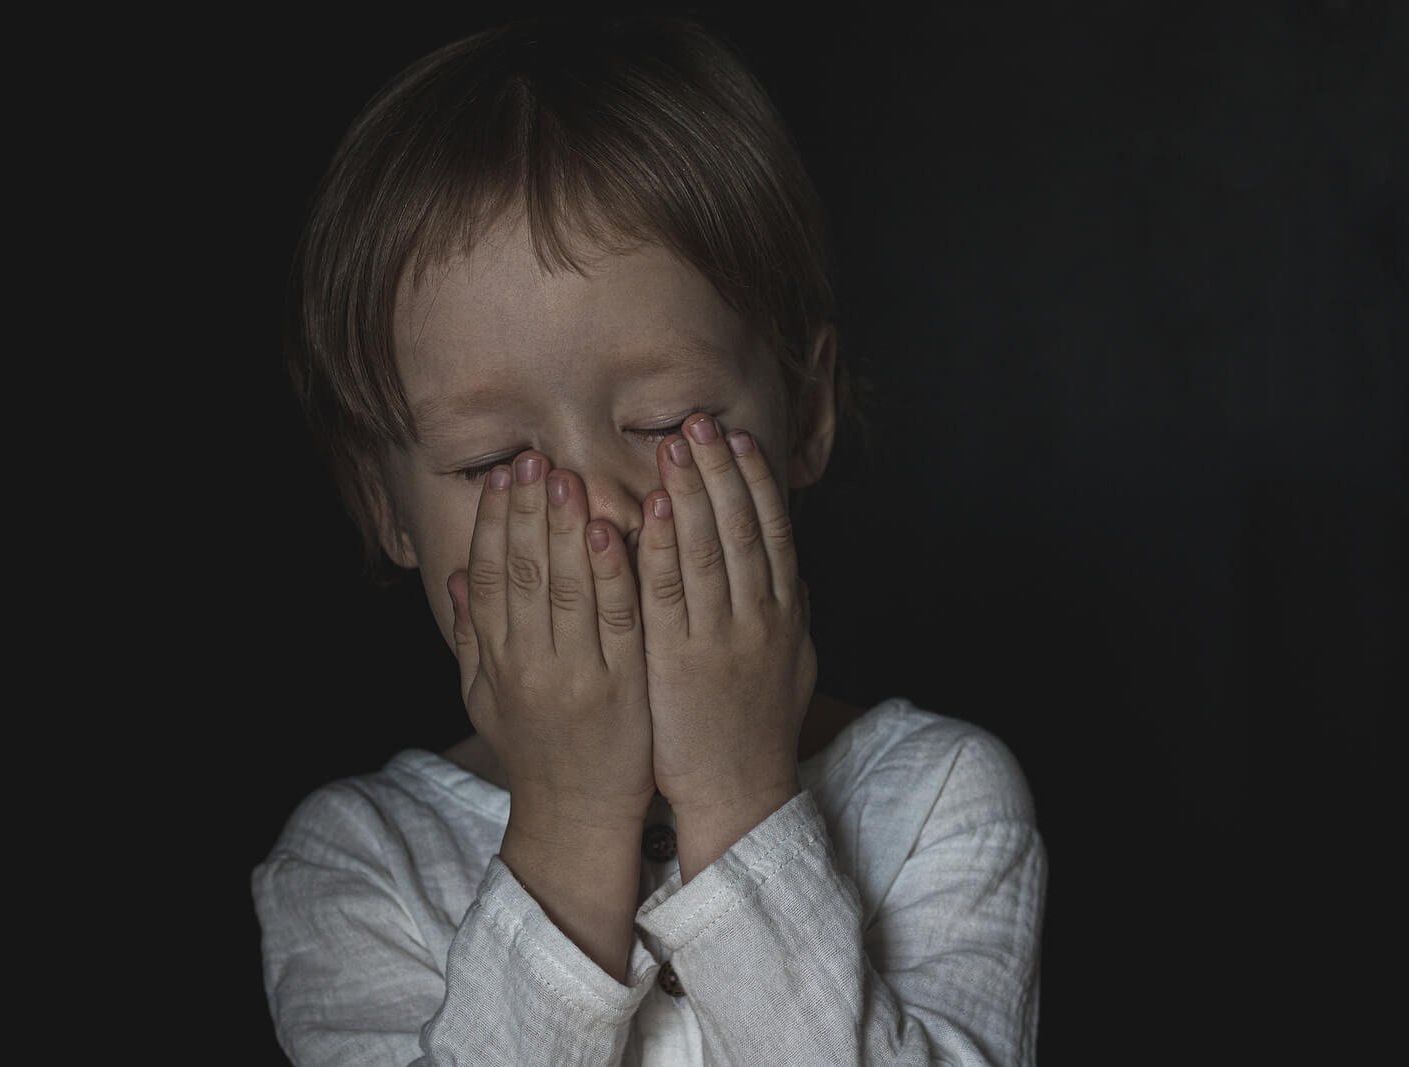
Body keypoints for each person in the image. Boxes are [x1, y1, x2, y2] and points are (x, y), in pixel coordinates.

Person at [253, 15, 1045, 1065]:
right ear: (385, 505)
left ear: (805, 412)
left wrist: (738, 796)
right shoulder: (357, 866)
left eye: (668, 421)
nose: (597, 509)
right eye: (497, 459)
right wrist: (570, 821)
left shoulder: (939, 796)